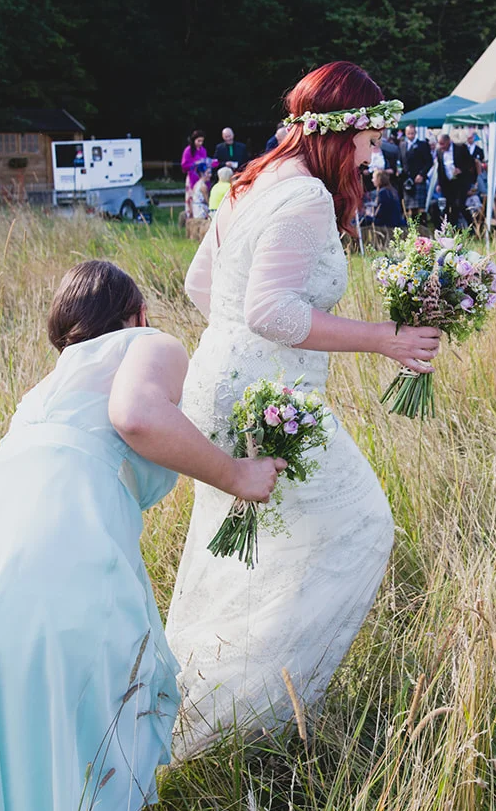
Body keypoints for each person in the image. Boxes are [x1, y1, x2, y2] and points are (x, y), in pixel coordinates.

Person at [0, 262, 282, 811]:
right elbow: (135, 416)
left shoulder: (50, 384)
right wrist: (236, 474)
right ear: (137, 314)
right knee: (85, 726)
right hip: (53, 552)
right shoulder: (149, 342)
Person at [167, 62, 443, 757]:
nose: (373, 153)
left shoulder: (248, 182)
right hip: (266, 401)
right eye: (369, 138)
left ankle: (197, 702)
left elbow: (203, 286)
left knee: (245, 554)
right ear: (339, 132)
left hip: (216, 383)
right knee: (359, 526)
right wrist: (386, 339)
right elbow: (270, 309)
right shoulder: (304, 199)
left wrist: (240, 349)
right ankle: (251, 717)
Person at [431, 132, 476, 228]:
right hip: (447, 183)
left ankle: (472, 225)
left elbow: (470, 163)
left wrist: (461, 170)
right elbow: (440, 169)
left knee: (459, 204)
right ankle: (451, 228)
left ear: (448, 141)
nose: (441, 146)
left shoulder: (460, 148)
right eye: (439, 143)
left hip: (460, 182)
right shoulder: (439, 152)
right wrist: (439, 183)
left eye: (443, 143)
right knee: (448, 206)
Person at [401, 123, 433, 218]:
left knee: (420, 208)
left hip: (419, 179)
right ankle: (411, 230)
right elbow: (400, 161)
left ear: (415, 133)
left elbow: (429, 162)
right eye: (408, 133)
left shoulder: (422, 145)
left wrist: (422, 174)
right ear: (405, 133)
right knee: (410, 209)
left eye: (412, 133)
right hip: (407, 180)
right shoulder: (402, 145)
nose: (410, 135)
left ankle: (423, 228)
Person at [180, 131, 217, 208]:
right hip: (192, 177)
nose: (200, 143)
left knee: (204, 195)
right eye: (198, 141)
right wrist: (196, 163)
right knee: (193, 197)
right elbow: (184, 165)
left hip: (203, 176)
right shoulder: (188, 150)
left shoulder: (203, 150)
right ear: (194, 140)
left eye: (202, 141)